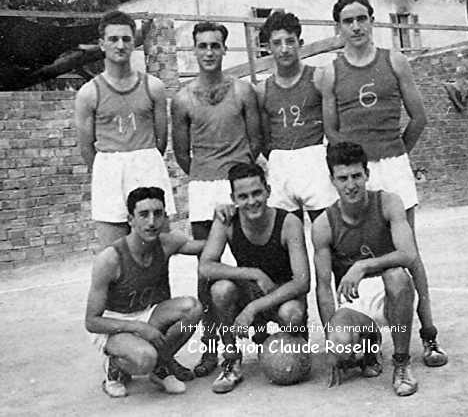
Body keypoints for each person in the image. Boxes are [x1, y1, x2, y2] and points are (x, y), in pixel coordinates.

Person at [319, 0, 447, 367]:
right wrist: (359, 163)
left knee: (411, 254)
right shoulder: (330, 72)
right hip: (356, 171)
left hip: (392, 164)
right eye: (348, 20)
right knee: (359, 249)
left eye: (362, 18)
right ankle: (364, 336)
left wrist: (395, 152)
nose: (356, 27)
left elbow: (418, 118)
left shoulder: (395, 61)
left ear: (373, 20)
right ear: (338, 27)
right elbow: (332, 130)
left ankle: (429, 335)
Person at [172, 21, 263, 377]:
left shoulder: (243, 91)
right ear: (194, 50)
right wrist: (206, 173)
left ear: (225, 50)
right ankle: (212, 350)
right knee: (205, 273)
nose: (208, 52)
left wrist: (234, 173)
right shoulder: (182, 98)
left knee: (248, 256)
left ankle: (256, 325)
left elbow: (256, 141)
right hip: (202, 188)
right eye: (202, 46)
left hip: (237, 186)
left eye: (215, 45)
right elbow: (182, 153)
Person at [313, 142, 418, 396]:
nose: (351, 185)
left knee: (397, 277)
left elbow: (408, 254)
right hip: (353, 298)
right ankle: (368, 346)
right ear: (333, 181)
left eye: (356, 176)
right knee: (340, 345)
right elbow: (324, 286)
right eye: (343, 178)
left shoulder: (389, 202)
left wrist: (362, 266)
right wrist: (331, 340)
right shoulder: (323, 224)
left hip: (389, 291)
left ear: (367, 175)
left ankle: (401, 364)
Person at [199, 163, 310, 394]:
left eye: (257, 193)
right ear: (233, 198)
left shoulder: (288, 222)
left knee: (292, 314)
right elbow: (205, 267)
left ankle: (290, 342)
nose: (251, 201)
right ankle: (231, 360)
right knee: (221, 290)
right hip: (249, 289)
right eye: (243, 196)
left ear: (268, 190)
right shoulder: (227, 221)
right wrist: (252, 273)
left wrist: (253, 308)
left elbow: (302, 281)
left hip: (280, 294)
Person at [85, 187, 204, 398]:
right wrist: (138, 328)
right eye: (143, 215)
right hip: (113, 324)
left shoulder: (166, 243)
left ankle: (160, 367)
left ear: (165, 217)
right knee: (144, 358)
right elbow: (92, 322)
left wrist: (229, 219)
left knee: (192, 309)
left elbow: (206, 246)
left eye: (158, 214)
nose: (151, 222)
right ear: (130, 219)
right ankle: (115, 368)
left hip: (146, 313)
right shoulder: (110, 259)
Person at [75, 10, 176, 249]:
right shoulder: (89, 93)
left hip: (147, 166)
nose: (120, 45)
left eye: (126, 39)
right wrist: (109, 168)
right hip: (110, 173)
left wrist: (141, 160)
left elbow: (161, 140)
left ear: (134, 43)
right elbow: (87, 148)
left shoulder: (154, 87)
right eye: (113, 39)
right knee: (114, 254)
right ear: (102, 44)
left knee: (157, 249)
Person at [257, 11, 337, 222]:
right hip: (281, 162)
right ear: (268, 47)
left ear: (300, 43)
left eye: (290, 41)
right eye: (277, 43)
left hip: (314, 159)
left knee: (326, 229)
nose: (284, 49)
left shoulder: (318, 77)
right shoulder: (262, 90)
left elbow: (332, 128)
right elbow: (264, 139)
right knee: (286, 233)